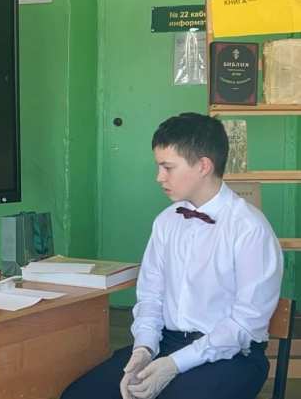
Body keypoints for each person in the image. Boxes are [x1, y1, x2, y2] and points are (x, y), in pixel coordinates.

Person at [61, 113, 282, 399]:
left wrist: (175, 365)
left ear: (203, 166)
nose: (159, 177)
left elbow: (244, 325)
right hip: (166, 344)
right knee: (78, 395)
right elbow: (151, 296)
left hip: (232, 355)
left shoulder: (250, 228)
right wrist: (144, 348)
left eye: (168, 167)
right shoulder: (166, 221)